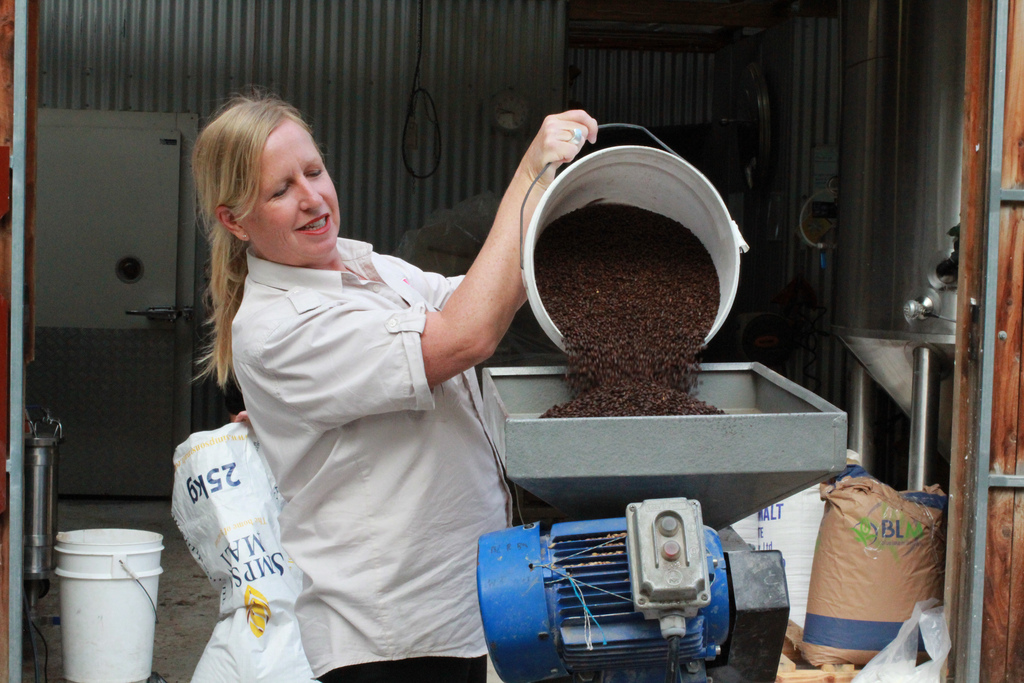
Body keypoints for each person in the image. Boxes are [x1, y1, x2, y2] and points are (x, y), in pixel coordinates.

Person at [191, 92, 597, 683]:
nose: (312, 198)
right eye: (280, 191)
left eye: (314, 171)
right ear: (234, 219)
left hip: (461, 606)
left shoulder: (366, 268)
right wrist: (532, 171)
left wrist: (567, 227)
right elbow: (468, 335)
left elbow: (472, 297)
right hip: (391, 639)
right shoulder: (281, 327)